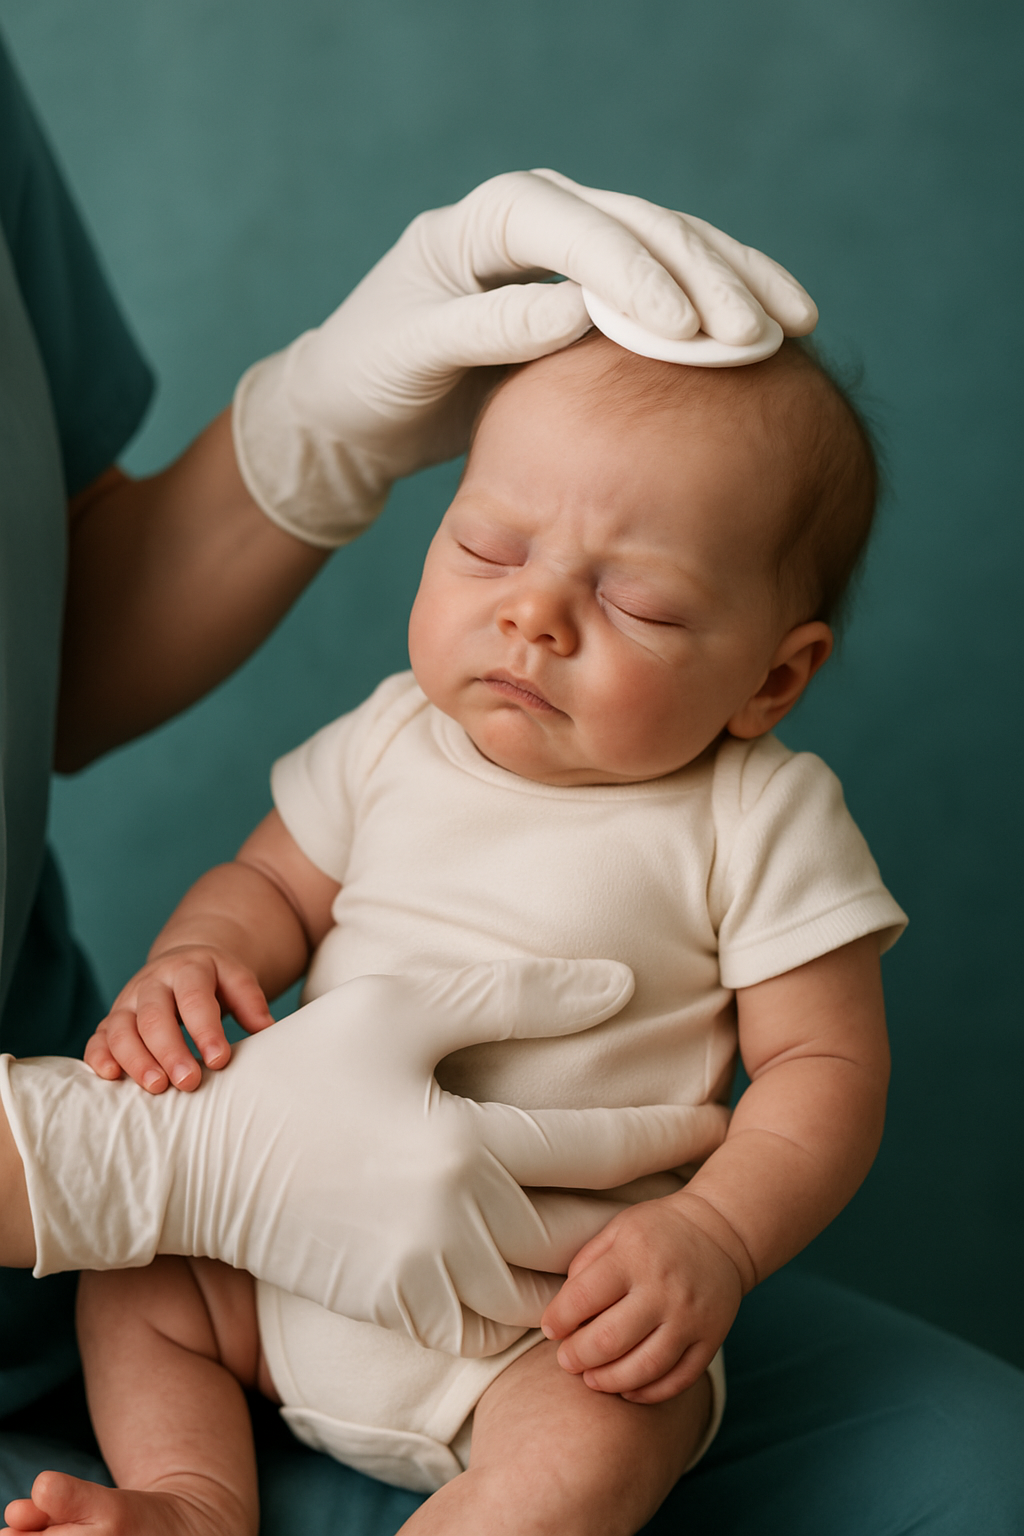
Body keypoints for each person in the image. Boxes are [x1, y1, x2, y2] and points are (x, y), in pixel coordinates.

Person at [1, 29, 1022, 1536]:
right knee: (137, 1270)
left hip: (550, 1315)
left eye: (646, 608)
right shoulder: (395, 734)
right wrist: (194, 974)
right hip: (259, 1264)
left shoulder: (759, 809)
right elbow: (273, 884)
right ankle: (187, 1499)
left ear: (773, 679)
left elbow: (822, 1071)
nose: (532, 616)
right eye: (484, 547)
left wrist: (717, 1243)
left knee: (621, 1428)